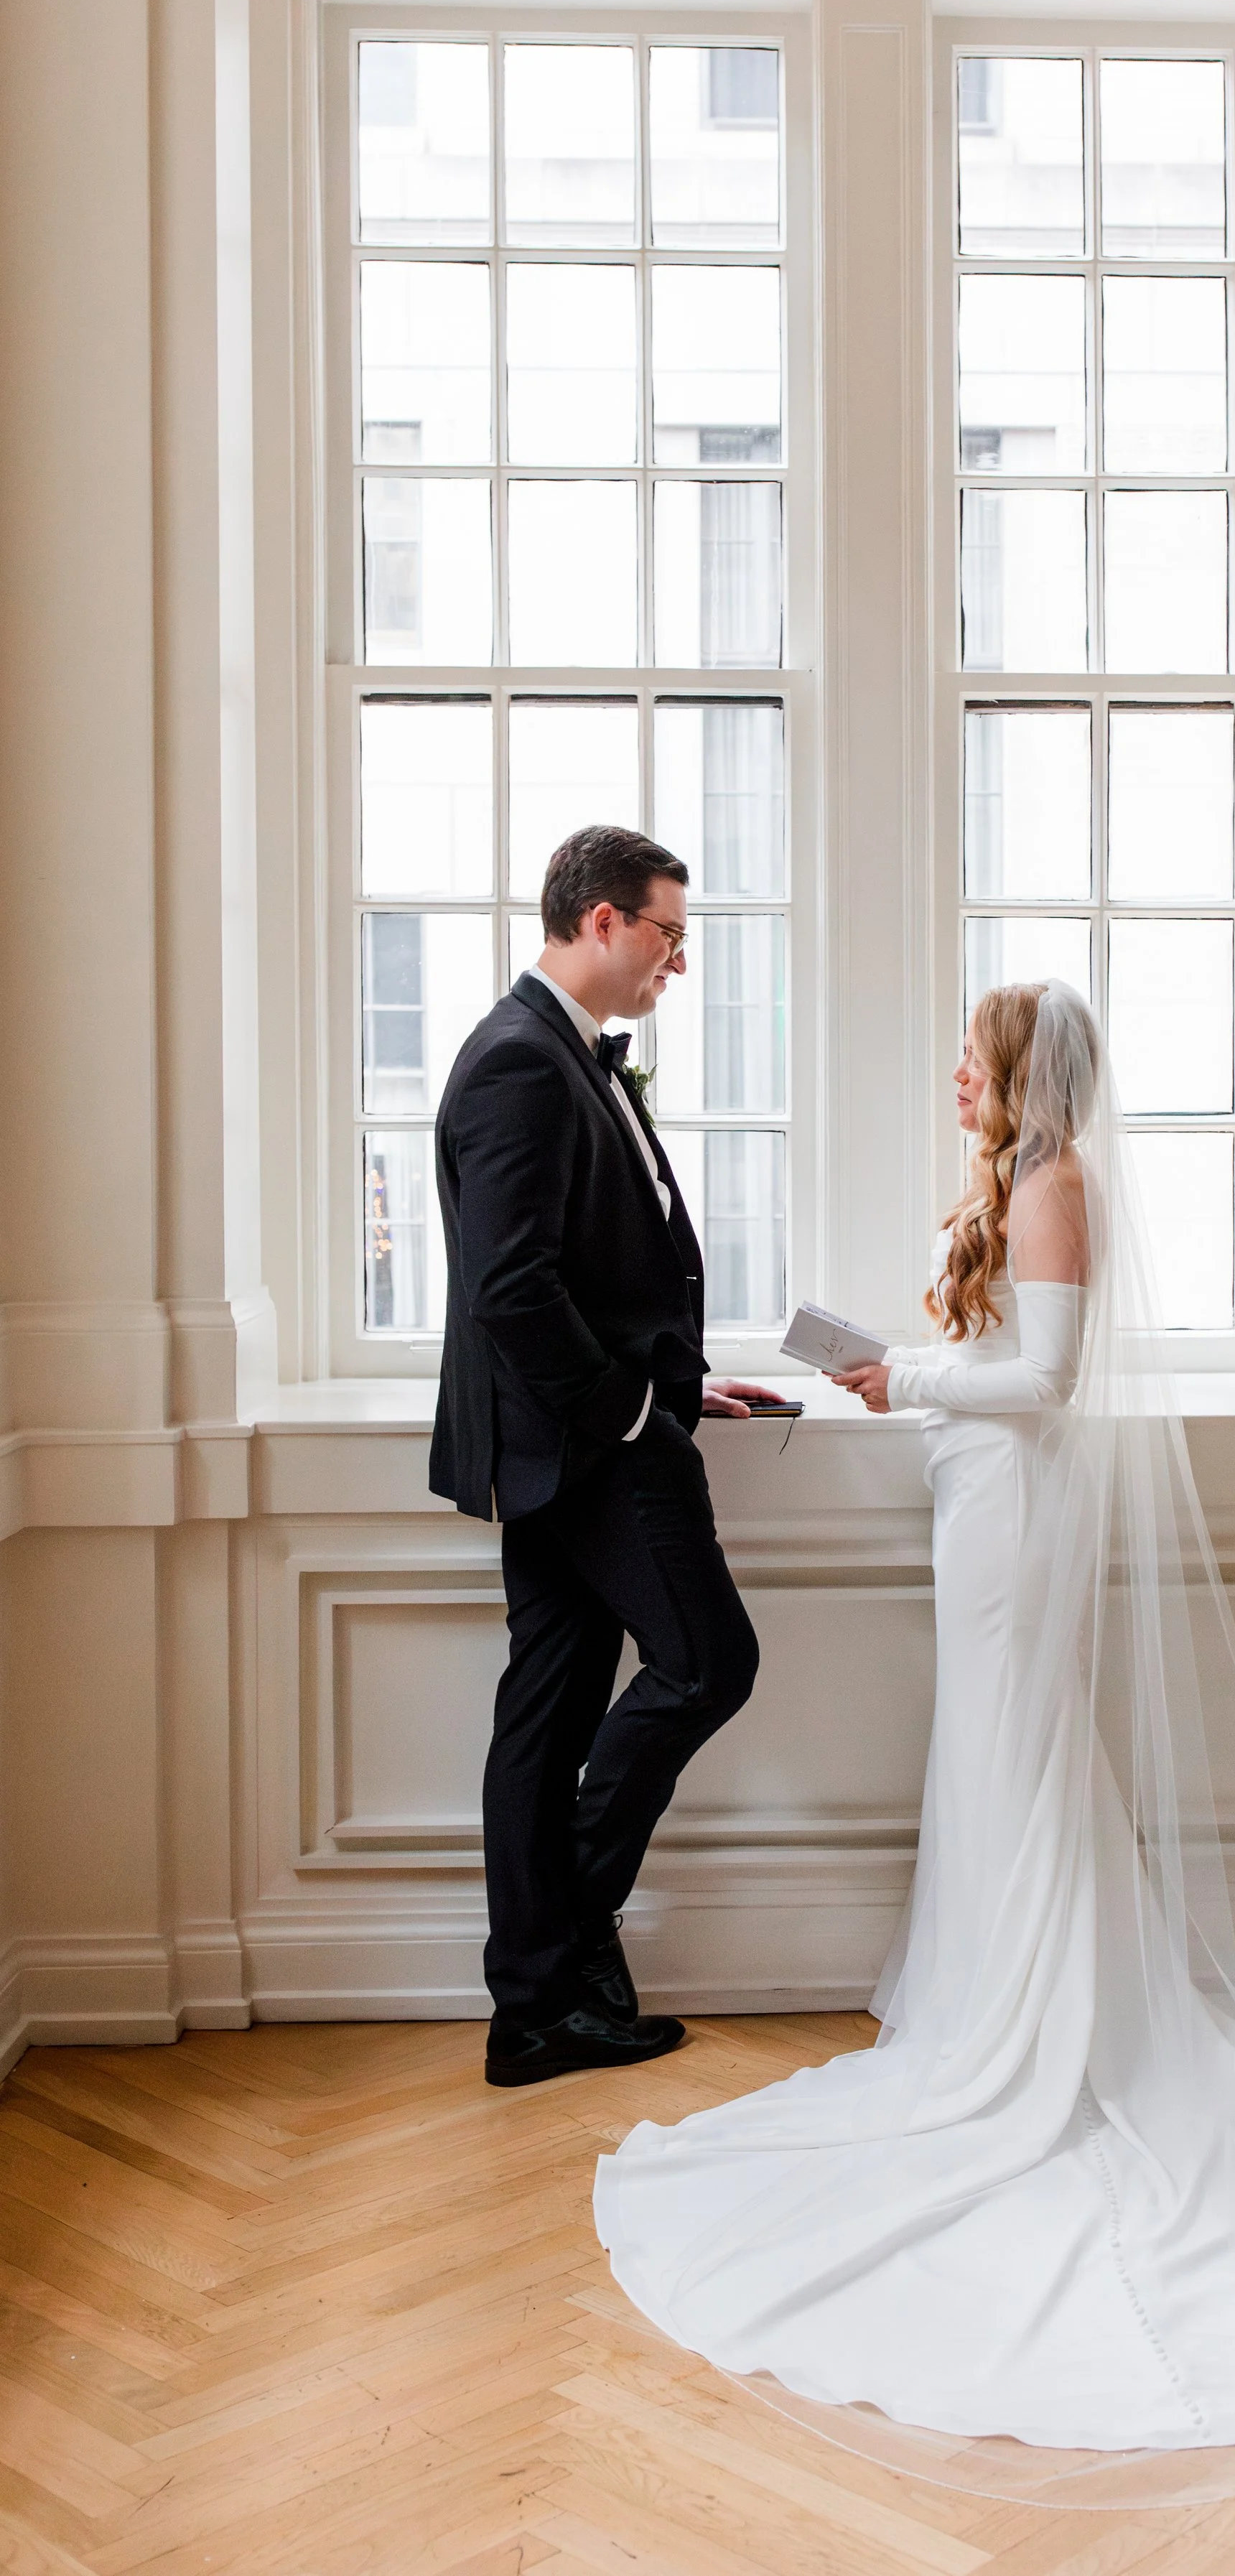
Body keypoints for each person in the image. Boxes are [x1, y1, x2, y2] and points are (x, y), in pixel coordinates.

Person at [591, 980, 1235, 2453]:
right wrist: (913, 1375)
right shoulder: (1017, 1177)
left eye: (967, 1052)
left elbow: (1048, 1374)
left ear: (1018, 1069)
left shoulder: (1055, 1179)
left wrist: (904, 1375)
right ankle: (1012, 1998)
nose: (951, 1071)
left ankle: (1047, 2032)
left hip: (1013, 1511)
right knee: (1003, 1761)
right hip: (979, 1500)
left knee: (1019, 1754)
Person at [432, 825, 780, 2091]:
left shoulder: (558, 1053)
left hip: (582, 1440)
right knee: (710, 1663)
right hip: (590, 1450)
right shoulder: (522, 1063)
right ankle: (562, 1947)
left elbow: (595, 1266)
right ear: (601, 922)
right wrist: (634, 1413)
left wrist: (685, 1381)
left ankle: (535, 2007)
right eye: (668, 934)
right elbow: (512, 1290)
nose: (676, 962)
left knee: (552, 1708)